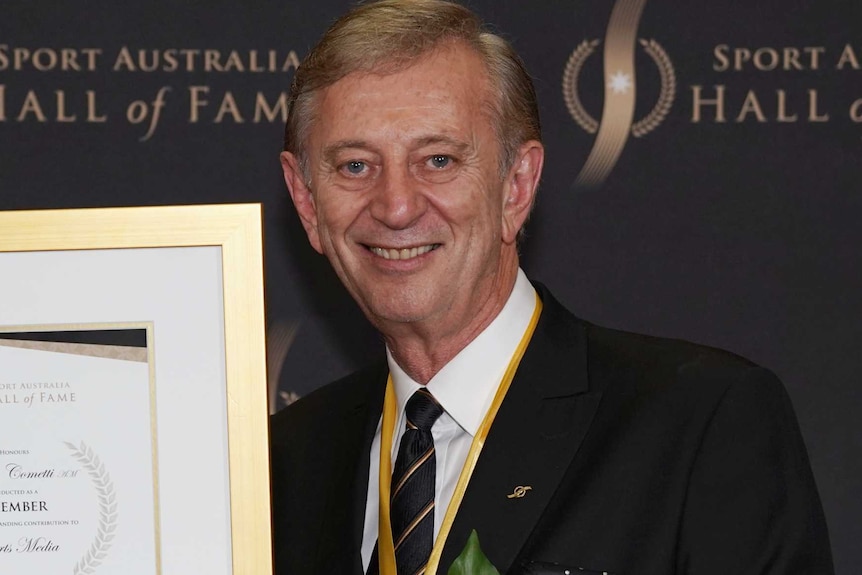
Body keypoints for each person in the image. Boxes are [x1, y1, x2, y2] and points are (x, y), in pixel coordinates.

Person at [270, 1, 833, 573]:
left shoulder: (700, 425)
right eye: (355, 166)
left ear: (516, 186)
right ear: (307, 200)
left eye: (438, 160)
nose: (395, 206)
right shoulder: (277, 462)